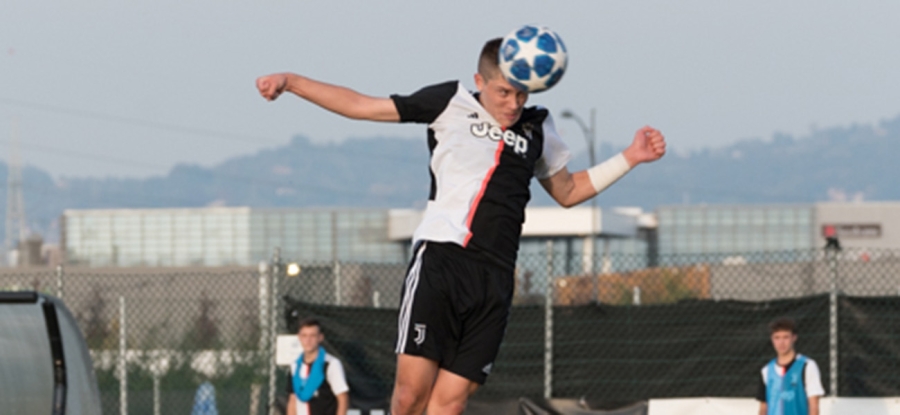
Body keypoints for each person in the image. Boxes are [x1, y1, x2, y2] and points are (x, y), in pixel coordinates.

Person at [258, 37, 666, 415]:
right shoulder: (448, 102)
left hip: (495, 279)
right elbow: (362, 105)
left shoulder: (538, 126)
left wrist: (630, 157)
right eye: (503, 92)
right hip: (442, 261)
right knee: (409, 396)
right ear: (480, 81)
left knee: (449, 405)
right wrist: (291, 82)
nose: (513, 103)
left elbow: (569, 190)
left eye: (521, 94)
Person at [757, 317, 825, 415]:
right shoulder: (766, 370)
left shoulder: (807, 366)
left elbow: (814, 406)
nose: (781, 342)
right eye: (777, 338)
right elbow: (764, 407)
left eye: (786, 337)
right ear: (772, 339)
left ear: (794, 338)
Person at [286, 318, 349, 415]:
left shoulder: (331, 364)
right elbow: (293, 400)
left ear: (320, 337)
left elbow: (343, 398)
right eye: (304, 336)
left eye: (312, 336)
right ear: (299, 337)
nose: (308, 340)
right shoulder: (295, 366)